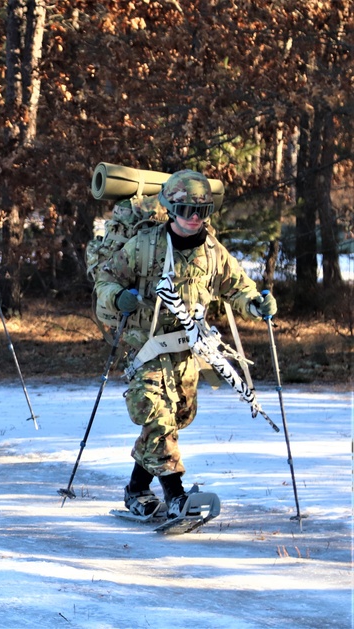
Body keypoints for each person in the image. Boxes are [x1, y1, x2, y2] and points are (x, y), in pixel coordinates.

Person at [94, 170, 276, 519]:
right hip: (145, 347)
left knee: (176, 418)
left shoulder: (212, 252)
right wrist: (117, 297)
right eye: (185, 210)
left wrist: (256, 303)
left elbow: (237, 286)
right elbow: (106, 279)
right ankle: (176, 495)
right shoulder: (144, 246)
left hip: (186, 350)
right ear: (169, 209)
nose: (194, 218)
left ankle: (136, 488)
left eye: (202, 211)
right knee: (156, 416)